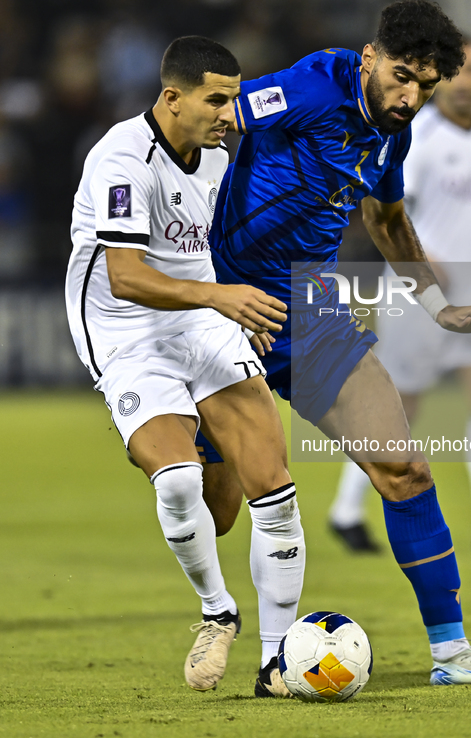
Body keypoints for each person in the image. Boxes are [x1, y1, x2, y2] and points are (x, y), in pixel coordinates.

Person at [197, 0, 471, 687]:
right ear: (369, 57)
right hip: (226, 305)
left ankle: (451, 655)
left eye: (425, 84)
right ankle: (216, 603)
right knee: (220, 508)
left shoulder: (394, 135)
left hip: (313, 308)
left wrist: (439, 305)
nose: (409, 95)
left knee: (405, 468)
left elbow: (386, 218)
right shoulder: (310, 86)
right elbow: (213, 119)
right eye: (400, 76)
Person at [65, 36, 305, 698]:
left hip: (203, 321)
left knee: (267, 488)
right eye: (217, 98)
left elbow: (221, 246)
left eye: (234, 97)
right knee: (177, 483)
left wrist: (242, 298)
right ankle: (217, 610)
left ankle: (277, 660)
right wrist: (221, 295)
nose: (231, 112)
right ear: (172, 97)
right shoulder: (121, 159)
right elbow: (126, 276)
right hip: (126, 332)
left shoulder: (219, 158)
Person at [330, 38, 471, 552]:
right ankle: (346, 508)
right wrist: (428, 264)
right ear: (443, 78)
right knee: (400, 405)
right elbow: (389, 215)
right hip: (415, 290)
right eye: (459, 72)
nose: (466, 82)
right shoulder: (415, 135)